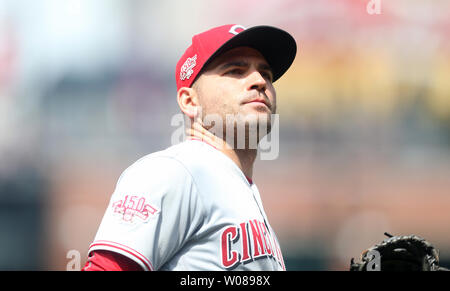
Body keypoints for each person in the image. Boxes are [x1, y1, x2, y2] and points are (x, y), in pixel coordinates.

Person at [82, 24, 297, 271]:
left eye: (266, 75)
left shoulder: (242, 190)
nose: (259, 81)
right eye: (236, 71)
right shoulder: (175, 171)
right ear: (189, 101)